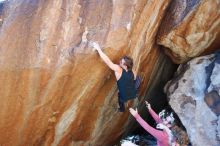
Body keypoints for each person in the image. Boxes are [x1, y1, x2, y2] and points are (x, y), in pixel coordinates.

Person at [90, 42, 137, 112]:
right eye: (121, 60)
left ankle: (122, 109)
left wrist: (98, 49)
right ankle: (122, 107)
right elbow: (135, 78)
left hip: (124, 96)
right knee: (135, 82)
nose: (119, 62)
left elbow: (108, 62)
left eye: (121, 62)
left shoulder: (119, 70)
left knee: (120, 97)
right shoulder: (133, 71)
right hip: (133, 92)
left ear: (125, 66)